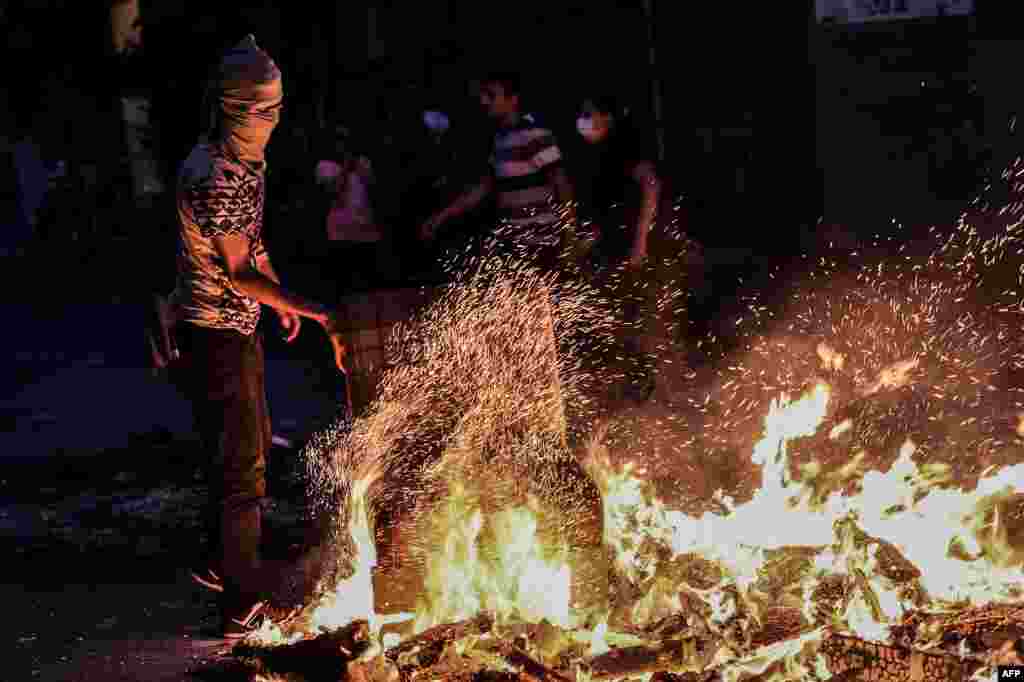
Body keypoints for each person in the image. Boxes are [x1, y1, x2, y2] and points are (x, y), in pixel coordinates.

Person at [146, 34, 348, 638]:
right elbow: (237, 272)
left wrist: (277, 292)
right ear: (231, 107)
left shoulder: (242, 160)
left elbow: (253, 247)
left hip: (236, 324)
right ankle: (240, 604)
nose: (272, 121)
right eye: (261, 109)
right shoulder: (213, 172)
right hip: (214, 332)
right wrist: (315, 312)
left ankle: (221, 561)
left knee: (252, 443)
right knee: (242, 469)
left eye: (278, 108)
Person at [419, 71, 577, 272]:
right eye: (484, 95)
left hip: (542, 245)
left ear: (513, 100)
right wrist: (442, 216)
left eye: (492, 95)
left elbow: (562, 185)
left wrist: (570, 236)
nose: (485, 101)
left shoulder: (535, 136)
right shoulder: (500, 139)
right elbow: (484, 187)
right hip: (515, 243)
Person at [573, 95, 663, 406]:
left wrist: (640, 242)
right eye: (581, 113)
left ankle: (642, 384)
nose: (583, 120)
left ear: (607, 116)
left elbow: (651, 186)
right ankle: (628, 382)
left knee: (626, 318)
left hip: (627, 250)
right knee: (607, 317)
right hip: (607, 248)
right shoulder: (596, 153)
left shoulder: (626, 144)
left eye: (589, 113)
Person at [314, 126, 393, 295]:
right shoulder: (325, 167)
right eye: (339, 141)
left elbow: (376, 192)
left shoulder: (363, 163)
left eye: (346, 141)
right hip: (340, 231)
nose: (343, 145)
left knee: (370, 280)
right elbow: (333, 193)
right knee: (345, 280)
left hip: (366, 229)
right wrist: (345, 168)